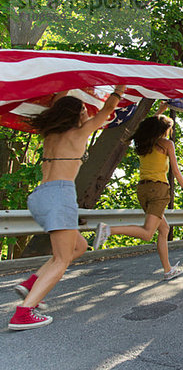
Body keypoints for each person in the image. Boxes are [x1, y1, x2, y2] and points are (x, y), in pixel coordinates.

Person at [9, 86, 124, 331]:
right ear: (76, 115)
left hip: (41, 196)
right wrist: (120, 88)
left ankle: (32, 284)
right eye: (83, 109)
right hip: (59, 195)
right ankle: (24, 313)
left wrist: (65, 87)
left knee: (79, 246)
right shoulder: (80, 133)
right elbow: (107, 109)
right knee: (62, 259)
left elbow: (59, 103)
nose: (86, 112)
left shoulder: (50, 134)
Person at [94, 102, 183, 281]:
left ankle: (168, 270)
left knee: (164, 229)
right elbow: (176, 171)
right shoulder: (166, 144)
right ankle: (109, 230)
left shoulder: (143, 142)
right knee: (148, 233)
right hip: (159, 190)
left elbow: (146, 126)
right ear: (163, 130)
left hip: (143, 189)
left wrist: (161, 110)